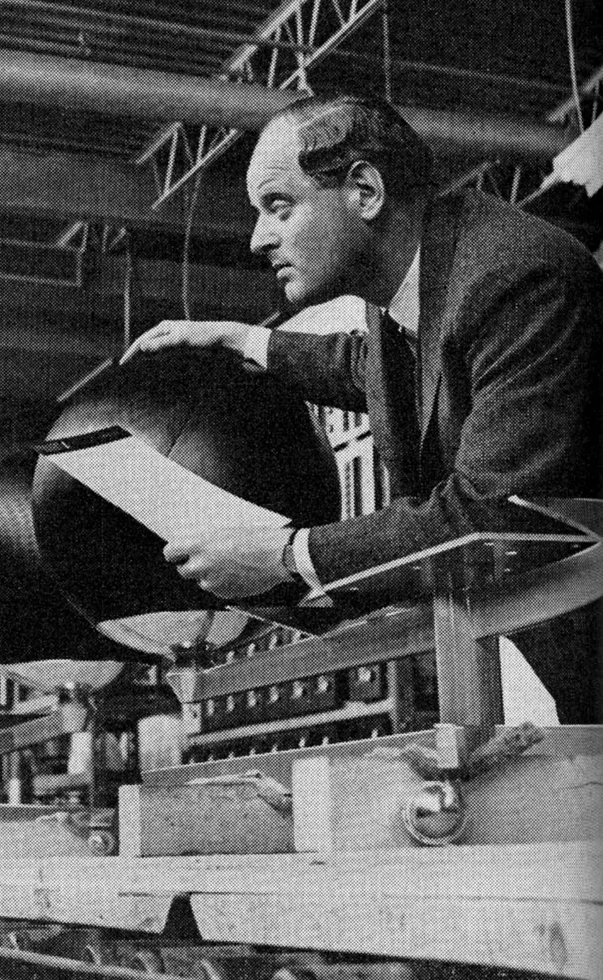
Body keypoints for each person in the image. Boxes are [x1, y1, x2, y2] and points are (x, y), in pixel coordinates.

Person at [122, 92, 603, 722]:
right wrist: (247, 340)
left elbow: (486, 512)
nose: (257, 240)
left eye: (279, 206)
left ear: (365, 191)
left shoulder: (515, 278)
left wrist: (285, 553)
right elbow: (377, 371)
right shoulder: (420, 283)